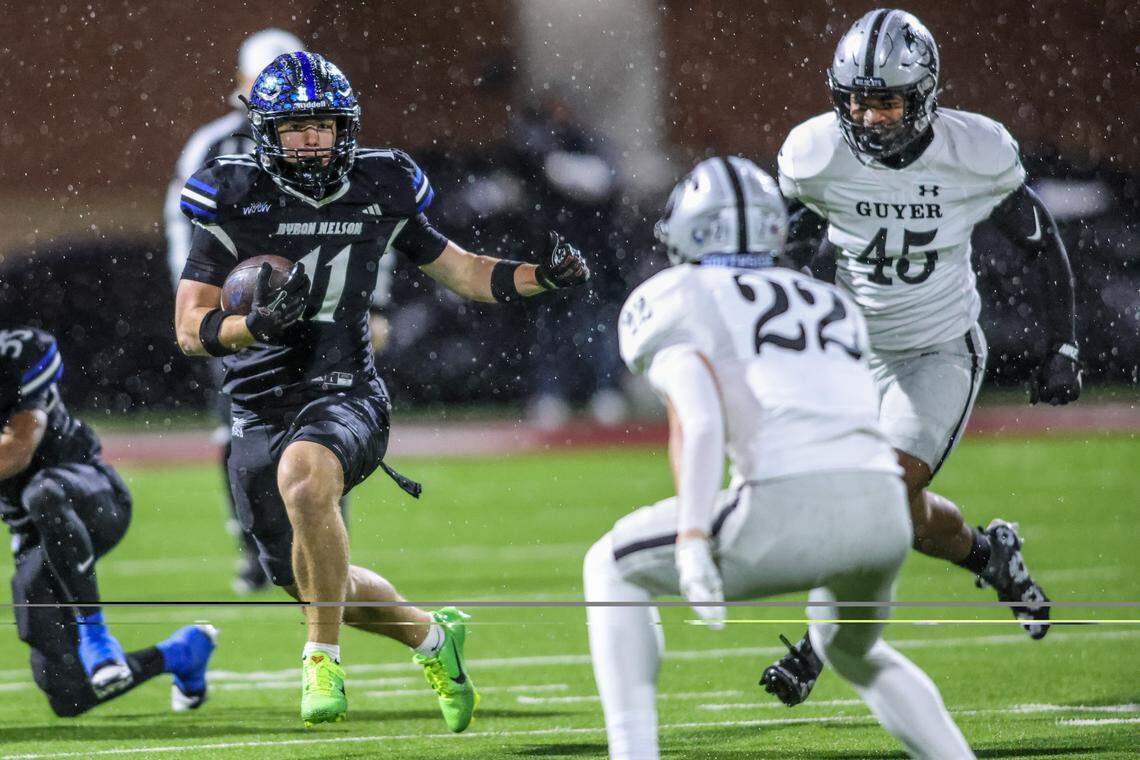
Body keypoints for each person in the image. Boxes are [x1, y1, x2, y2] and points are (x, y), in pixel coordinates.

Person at [172, 52, 591, 729]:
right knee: (301, 578)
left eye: (325, 126)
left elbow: (466, 272)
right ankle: (431, 635)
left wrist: (542, 277)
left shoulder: (381, 184)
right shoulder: (232, 195)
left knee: (306, 481)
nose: (312, 140)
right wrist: (253, 325)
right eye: (295, 127)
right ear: (265, 133)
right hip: (258, 397)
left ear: (348, 128)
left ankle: (320, 660)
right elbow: (190, 329)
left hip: (346, 388)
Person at [585, 157, 974, 759]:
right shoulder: (826, 300)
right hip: (881, 512)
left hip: (783, 504)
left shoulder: (673, 296)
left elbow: (702, 419)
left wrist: (692, 539)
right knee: (855, 652)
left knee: (610, 566)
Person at [761, 9, 1081, 705]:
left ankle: (814, 653)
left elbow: (1039, 240)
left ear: (925, 94)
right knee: (898, 513)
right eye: (856, 101)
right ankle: (989, 554)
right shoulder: (816, 154)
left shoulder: (974, 152)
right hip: (845, 356)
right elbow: (787, 247)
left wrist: (1063, 341)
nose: (869, 117)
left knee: (872, 494)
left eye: (885, 100)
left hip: (934, 352)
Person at [0, 326, 217, 717]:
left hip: (89, 495)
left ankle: (96, 636)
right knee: (67, 694)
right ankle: (181, 654)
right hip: (29, 533)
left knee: (43, 494)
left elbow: (16, 451)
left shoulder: (19, 351)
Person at [163, 28, 305, 594]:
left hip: (311, 311)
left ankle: (322, 532)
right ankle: (254, 544)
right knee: (238, 430)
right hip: (235, 311)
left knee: (322, 421)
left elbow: (370, 224)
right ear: (244, 83)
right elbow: (183, 223)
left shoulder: (326, 137)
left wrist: (372, 303)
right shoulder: (213, 145)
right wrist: (194, 298)